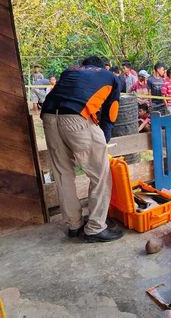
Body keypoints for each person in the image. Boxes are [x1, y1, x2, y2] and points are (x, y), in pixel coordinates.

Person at [41, 56, 123, 243]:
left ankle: (74, 225)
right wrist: (103, 139)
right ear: (102, 67)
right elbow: (111, 113)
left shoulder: (70, 71)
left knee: (63, 174)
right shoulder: (110, 77)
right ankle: (95, 228)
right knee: (100, 174)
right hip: (76, 117)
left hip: (48, 117)